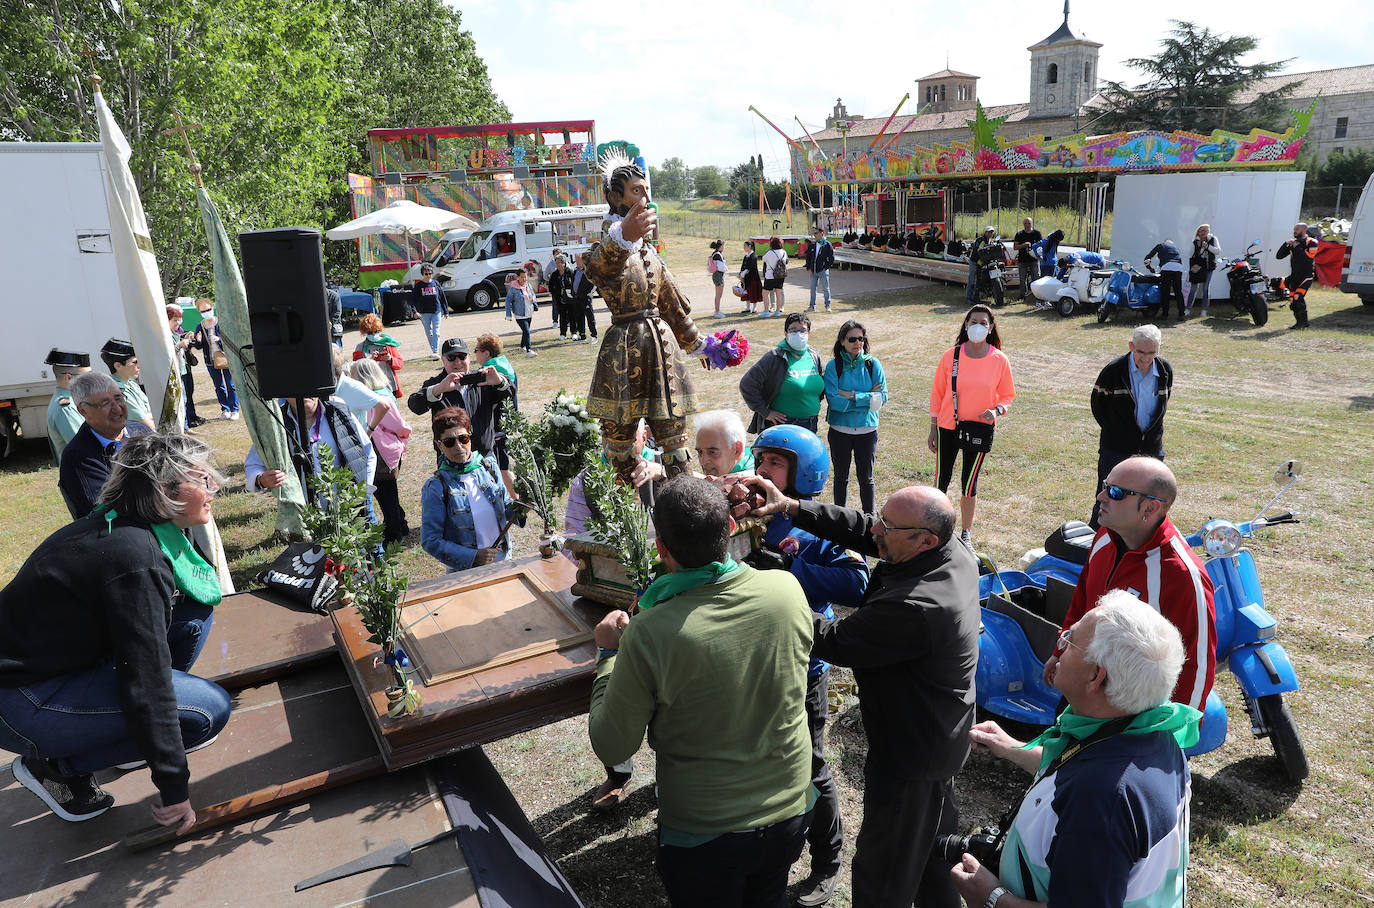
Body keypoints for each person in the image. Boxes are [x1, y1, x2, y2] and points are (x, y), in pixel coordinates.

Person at [737, 473, 979, 908]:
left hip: (910, 756)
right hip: (940, 738)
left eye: (888, 526)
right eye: (882, 518)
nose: (876, 531)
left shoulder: (915, 607)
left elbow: (832, 639)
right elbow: (859, 526)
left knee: (882, 873)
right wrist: (789, 506)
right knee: (931, 854)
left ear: (925, 539)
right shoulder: (950, 549)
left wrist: (759, 591)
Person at [587, 476, 815, 908]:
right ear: (730, 528)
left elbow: (612, 742)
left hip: (706, 830)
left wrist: (608, 654)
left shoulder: (650, 633)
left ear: (661, 549)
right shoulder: (786, 591)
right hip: (791, 807)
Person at [0, 432, 232, 827]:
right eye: (203, 480)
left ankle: (119, 736)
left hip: (47, 671)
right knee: (205, 712)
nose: (214, 490)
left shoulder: (118, 523)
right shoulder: (133, 558)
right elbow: (146, 681)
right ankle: (56, 767)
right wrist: (174, 785)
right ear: (165, 490)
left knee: (193, 613)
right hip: (20, 700)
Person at [955, 592, 1197, 908]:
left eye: (1070, 639)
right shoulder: (1148, 731)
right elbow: (1076, 769)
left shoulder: (1102, 799)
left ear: (1096, 676)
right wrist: (1013, 748)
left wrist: (992, 898)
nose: (1061, 645)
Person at [747, 426, 870, 907]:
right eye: (762, 460)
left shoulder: (811, 527)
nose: (763, 470)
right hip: (754, 663)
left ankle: (827, 860)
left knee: (812, 765)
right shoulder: (746, 510)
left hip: (803, 669)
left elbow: (858, 582)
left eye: (775, 463)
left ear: (805, 473)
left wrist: (791, 567)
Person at [1045, 456, 1217, 712]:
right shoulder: (1106, 535)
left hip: (1129, 709)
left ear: (1150, 509)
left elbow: (1197, 667)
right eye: (1105, 486)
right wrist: (1063, 647)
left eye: (1115, 492)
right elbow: (1083, 598)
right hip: (1085, 685)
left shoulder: (1181, 575)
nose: (1101, 496)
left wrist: (1172, 737)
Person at [583, 151, 704, 484]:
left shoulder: (650, 252)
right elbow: (599, 267)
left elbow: (671, 304)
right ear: (614, 196)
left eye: (646, 190)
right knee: (619, 440)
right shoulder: (609, 243)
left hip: (662, 351)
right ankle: (625, 514)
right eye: (636, 190)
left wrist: (698, 345)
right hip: (622, 352)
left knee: (675, 436)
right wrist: (625, 233)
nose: (646, 198)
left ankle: (685, 505)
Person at [927, 305, 1016, 551]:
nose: (978, 326)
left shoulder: (999, 359)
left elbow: (1007, 395)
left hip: (980, 428)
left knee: (969, 482)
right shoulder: (951, 356)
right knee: (940, 480)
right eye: (973, 321)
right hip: (947, 426)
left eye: (983, 323)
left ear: (991, 327)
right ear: (965, 325)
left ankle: (966, 533)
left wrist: (997, 410)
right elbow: (937, 393)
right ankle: (936, 528)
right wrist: (933, 427)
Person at [1088, 325, 1172, 528]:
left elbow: (1162, 404)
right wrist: (1117, 432)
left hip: (1151, 449)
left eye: (1152, 352)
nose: (1145, 358)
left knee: (1150, 502)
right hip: (1116, 449)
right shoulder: (1113, 371)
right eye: (1141, 352)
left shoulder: (1164, 370)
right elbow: (1098, 405)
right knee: (1109, 499)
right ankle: (1097, 545)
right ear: (1130, 346)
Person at [420, 407, 522, 572]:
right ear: (439, 445)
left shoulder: (489, 467)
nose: (458, 447)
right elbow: (430, 540)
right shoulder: (436, 487)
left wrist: (521, 506)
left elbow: (505, 506)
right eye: (449, 442)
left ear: (470, 436)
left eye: (463, 438)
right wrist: (473, 556)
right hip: (465, 572)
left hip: (503, 561)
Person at [245, 396, 375, 508]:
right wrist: (261, 479)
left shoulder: (340, 414)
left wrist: (362, 492)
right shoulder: (275, 423)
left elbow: (368, 453)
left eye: (309, 385)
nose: (304, 394)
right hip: (301, 518)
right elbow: (253, 465)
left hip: (345, 513)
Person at [58, 372, 153, 520]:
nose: (117, 408)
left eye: (118, 398)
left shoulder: (141, 432)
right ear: (83, 411)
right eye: (105, 403)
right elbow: (106, 511)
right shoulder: (78, 457)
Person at [407, 337, 514, 464]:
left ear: (469, 357)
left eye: (462, 357)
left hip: (484, 456)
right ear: (443, 360)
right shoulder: (437, 384)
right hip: (451, 459)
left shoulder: (482, 379)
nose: (458, 362)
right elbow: (415, 405)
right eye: (451, 358)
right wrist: (439, 389)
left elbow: (510, 394)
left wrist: (500, 382)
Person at [824, 319, 887, 515]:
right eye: (852, 339)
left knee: (866, 479)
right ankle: (839, 518)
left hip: (867, 431)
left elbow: (882, 398)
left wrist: (851, 395)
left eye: (861, 338)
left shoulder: (873, 364)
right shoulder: (833, 366)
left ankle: (870, 518)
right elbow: (834, 402)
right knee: (841, 478)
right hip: (839, 431)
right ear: (842, 341)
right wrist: (867, 399)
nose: (858, 343)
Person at [351, 357, 411, 545]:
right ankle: (400, 524)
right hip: (381, 453)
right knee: (387, 495)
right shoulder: (375, 396)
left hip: (383, 454)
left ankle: (394, 534)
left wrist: (400, 440)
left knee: (387, 496)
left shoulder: (380, 399)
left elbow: (399, 425)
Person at [740, 312, 825, 434]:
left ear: (809, 333)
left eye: (803, 330)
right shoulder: (774, 357)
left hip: (811, 423)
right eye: (793, 330)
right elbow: (747, 384)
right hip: (783, 425)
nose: (798, 334)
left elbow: (823, 383)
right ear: (786, 334)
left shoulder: (814, 356)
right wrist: (766, 412)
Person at [190, 298, 239, 420]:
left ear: (212, 308)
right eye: (203, 311)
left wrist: (220, 340)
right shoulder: (200, 326)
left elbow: (232, 339)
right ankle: (225, 409)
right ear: (200, 313)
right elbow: (198, 346)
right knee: (218, 385)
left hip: (225, 358)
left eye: (208, 309)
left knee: (231, 384)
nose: (206, 312)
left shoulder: (222, 322)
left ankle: (234, 410)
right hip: (210, 360)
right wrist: (199, 341)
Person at [44, 348, 91, 464]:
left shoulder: (73, 400)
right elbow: (85, 446)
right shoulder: (66, 408)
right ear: (68, 378)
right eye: (86, 376)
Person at [100, 338, 156, 432]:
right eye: (134, 362)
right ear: (118, 366)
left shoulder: (131, 383)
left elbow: (153, 412)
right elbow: (146, 424)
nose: (139, 366)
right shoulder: (118, 391)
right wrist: (148, 415)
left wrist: (148, 415)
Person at [166, 305, 206, 431]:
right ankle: (182, 428)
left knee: (185, 399)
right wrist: (180, 345)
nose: (178, 323)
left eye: (179, 320)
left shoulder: (174, 334)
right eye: (174, 320)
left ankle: (186, 427)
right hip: (174, 374)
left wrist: (185, 339)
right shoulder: (165, 336)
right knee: (180, 402)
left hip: (183, 371)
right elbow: (167, 353)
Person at [1276, 222, 1319, 330]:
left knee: (1298, 297)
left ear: (1304, 231)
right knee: (1293, 301)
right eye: (1294, 229)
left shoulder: (1312, 242)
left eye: (1297, 229)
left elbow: (1308, 257)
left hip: (1306, 276)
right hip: (1294, 276)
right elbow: (1279, 256)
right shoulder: (1293, 243)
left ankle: (1304, 323)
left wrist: (1297, 246)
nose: (1294, 232)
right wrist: (1286, 244)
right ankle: (1299, 323)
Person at [352, 313, 404, 399]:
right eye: (369, 332)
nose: (373, 334)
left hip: (389, 384)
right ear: (365, 332)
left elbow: (400, 364)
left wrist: (390, 359)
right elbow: (356, 367)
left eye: (376, 331)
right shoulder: (360, 347)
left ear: (379, 329)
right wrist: (369, 360)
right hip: (370, 385)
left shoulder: (389, 343)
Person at [693, 408, 753, 478]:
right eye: (700, 452)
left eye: (712, 452)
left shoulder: (754, 482)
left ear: (737, 450)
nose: (703, 461)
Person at [1143, 238, 1186, 319]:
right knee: (1178, 292)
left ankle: (1165, 314)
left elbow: (1147, 258)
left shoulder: (1160, 245)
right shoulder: (1176, 247)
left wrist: (1149, 268)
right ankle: (1182, 314)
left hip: (1166, 267)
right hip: (1178, 268)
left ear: (1165, 242)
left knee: (1165, 292)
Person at [1185, 224, 1221, 317]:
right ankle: (1188, 308)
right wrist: (1199, 247)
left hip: (1209, 267)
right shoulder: (1195, 241)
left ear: (1208, 232)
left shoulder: (1213, 239)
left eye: (1205, 230)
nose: (1203, 232)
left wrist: (1207, 246)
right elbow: (1190, 254)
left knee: (1206, 288)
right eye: (1201, 231)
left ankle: (1204, 310)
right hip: (1197, 267)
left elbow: (1217, 251)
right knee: (1193, 288)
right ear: (1198, 232)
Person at [411, 263, 446, 356]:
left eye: (430, 273)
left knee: (436, 331)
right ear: (422, 274)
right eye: (426, 274)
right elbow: (413, 300)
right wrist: (415, 311)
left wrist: (445, 311)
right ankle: (434, 349)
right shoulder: (419, 286)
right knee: (429, 332)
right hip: (424, 313)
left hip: (436, 311)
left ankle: (436, 351)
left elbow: (442, 297)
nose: (428, 276)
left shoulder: (436, 283)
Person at [504, 269, 538, 357]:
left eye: (525, 277)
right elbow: (508, 301)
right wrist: (508, 315)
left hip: (529, 312)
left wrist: (533, 299)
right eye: (522, 277)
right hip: (519, 314)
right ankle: (529, 350)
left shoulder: (528, 285)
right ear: (518, 277)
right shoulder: (513, 288)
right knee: (526, 331)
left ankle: (522, 347)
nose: (524, 279)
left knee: (525, 332)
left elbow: (533, 295)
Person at [549, 254, 580, 340]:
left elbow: (574, 284)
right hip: (560, 299)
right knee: (562, 316)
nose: (557, 264)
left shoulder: (570, 272)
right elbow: (550, 286)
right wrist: (555, 293)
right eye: (556, 263)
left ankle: (574, 332)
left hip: (570, 298)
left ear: (563, 263)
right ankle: (563, 333)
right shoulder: (554, 274)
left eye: (559, 262)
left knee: (572, 315)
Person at [1013, 217, 1043, 302]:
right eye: (1025, 223)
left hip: (1034, 260)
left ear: (1032, 223)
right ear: (1023, 224)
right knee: (1022, 279)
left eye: (1029, 223)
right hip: (1022, 260)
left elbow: (1041, 246)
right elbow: (1015, 247)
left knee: (1036, 277)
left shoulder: (1037, 233)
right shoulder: (1019, 234)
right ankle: (1022, 295)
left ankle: (1036, 295)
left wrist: (1040, 256)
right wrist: (1023, 245)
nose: (1027, 225)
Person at [806, 226, 835, 313]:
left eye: (816, 233)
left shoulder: (827, 244)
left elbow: (831, 258)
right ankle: (812, 306)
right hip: (813, 271)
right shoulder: (812, 245)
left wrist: (825, 267)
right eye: (814, 233)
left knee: (826, 288)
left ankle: (827, 305)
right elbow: (808, 257)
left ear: (821, 233)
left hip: (822, 271)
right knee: (812, 289)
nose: (814, 235)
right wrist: (808, 267)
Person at [571, 253, 598, 344]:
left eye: (579, 260)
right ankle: (582, 335)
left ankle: (594, 335)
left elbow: (593, 284)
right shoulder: (575, 271)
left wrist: (587, 294)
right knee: (579, 316)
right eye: (576, 260)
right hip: (577, 298)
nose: (577, 262)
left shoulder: (588, 271)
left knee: (590, 317)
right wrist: (573, 293)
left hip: (586, 298)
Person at [966, 226, 996, 305]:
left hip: (981, 262)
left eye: (992, 232)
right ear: (985, 232)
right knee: (972, 280)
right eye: (989, 232)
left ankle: (976, 298)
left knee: (979, 280)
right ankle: (969, 298)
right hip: (975, 261)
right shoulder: (980, 240)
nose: (990, 233)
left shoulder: (990, 240)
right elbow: (980, 250)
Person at [761, 236, 789, 318]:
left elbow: (764, 259)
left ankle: (766, 311)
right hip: (780, 275)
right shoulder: (784, 252)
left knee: (765, 293)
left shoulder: (770, 252)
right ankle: (777, 311)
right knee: (779, 293)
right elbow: (785, 261)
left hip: (770, 275)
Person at [740, 239, 763, 314]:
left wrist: (743, 274)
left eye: (745, 246)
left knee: (753, 293)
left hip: (753, 278)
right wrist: (741, 274)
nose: (744, 248)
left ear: (750, 246)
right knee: (746, 292)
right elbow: (743, 266)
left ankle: (754, 308)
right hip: (746, 278)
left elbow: (751, 267)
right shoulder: (746, 256)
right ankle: (747, 308)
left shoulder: (753, 256)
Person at [707, 239, 728, 318]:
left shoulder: (716, 253)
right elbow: (721, 267)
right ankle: (717, 311)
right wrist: (726, 269)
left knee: (719, 295)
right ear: (721, 246)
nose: (724, 247)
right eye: (724, 245)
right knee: (718, 295)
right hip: (718, 275)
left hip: (718, 275)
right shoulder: (717, 254)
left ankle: (718, 310)